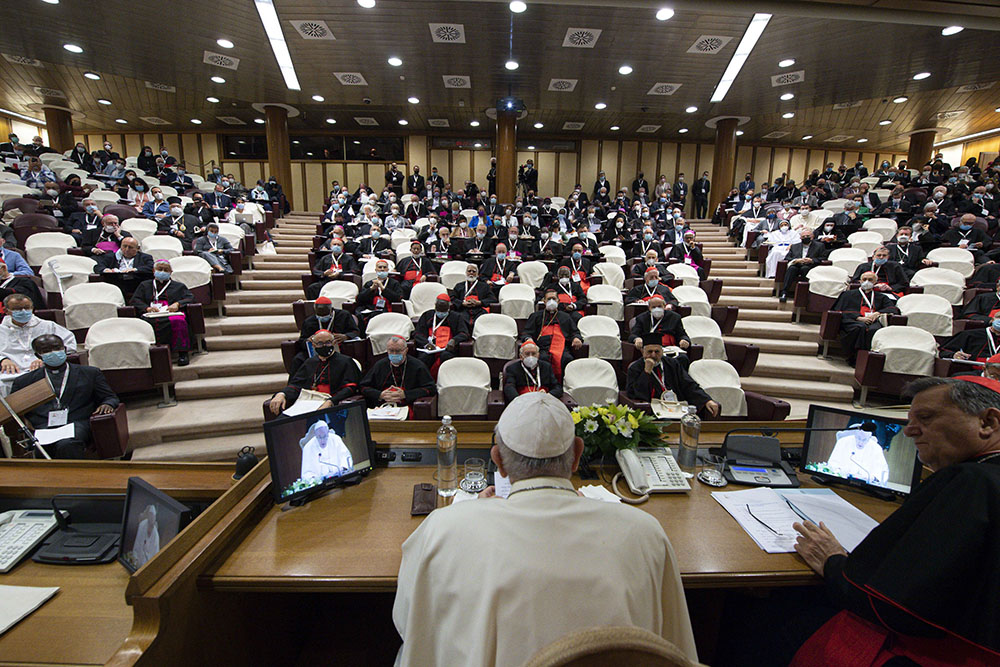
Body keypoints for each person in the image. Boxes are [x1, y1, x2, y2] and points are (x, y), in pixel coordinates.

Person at [393, 391, 697, 666]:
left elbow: (411, 624)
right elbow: (674, 652)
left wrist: (470, 513)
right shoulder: (645, 533)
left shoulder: (442, 530)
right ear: (577, 455)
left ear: (498, 461)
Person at [791, 377, 1000, 665]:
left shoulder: (971, 481)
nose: (910, 430)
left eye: (925, 418)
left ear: (988, 422)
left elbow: (896, 605)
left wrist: (832, 561)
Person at [11, 334, 117, 459]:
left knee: (67, 444)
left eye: (57, 348)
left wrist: (107, 404)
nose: (53, 353)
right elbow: (14, 410)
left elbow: (110, 397)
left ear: (65, 349)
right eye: (46, 351)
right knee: (41, 447)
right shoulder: (24, 381)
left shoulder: (90, 373)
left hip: (76, 422)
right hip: (43, 426)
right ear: (38, 355)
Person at [625, 333, 721, 416]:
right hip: (653, 409)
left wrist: (706, 400)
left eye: (657, 352)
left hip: (676, 406)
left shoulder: (672, 364)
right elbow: (633, 394)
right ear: (642, 352)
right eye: (649, 352)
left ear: (662, 351)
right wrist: (646, 372)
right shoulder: (635, 368)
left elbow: (688, 384)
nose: (653, 355)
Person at [269, 330, 361, 415]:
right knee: (284, 422)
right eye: (320, 344)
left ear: (334, 343)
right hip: (307, 402)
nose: (324, 346)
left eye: (328, 342)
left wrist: (331, 401)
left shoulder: (345, 361)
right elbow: (296, 385)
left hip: (330, 402)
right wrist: (281, 394)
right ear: (313, 345)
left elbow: (350, 388)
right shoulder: (310, 363)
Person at [0, 293, 77, 394]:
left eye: (27, 308)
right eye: (17, 309)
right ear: (6, 311)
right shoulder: (1, 330)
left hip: (43, 369)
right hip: (10, 372)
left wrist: (47, 357)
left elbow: (70, 345)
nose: (23, 311)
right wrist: (2, 359)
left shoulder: (48, 325)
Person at [129, 260, 194, 366]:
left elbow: (190, 297)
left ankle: (182, 354)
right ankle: (150, 355)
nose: (162, 272)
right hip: (151, 313)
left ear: (171, 272)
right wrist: (146, 308)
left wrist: (177, 304)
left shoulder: (179, 286)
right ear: (154, 271)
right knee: (144, 323)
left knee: (179, 321)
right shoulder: (145, 285)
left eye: (166, 270)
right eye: (160, 269)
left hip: (171, 312)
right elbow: (135, 300)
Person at [830, 271, 899, 365]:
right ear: (860, 281)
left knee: (874, 330)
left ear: (875, 282)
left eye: (870, 280)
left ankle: (867, 361)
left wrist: (877, 313)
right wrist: (858, 317)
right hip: (852, 320)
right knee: (859, 328)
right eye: (864, 279)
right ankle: (853, 358)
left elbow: (893, 309)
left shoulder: (881, 297)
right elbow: (838, 310)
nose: (867, 282)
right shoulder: (847, 294)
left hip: (873, 321)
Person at [359, 336, 436, 414]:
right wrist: (380, 395)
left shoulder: (418, 366)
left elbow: (431, 388)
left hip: (408, 406)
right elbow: (363, 387)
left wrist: (405, 395)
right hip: (382, 407)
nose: (394, 354)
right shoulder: (380, 365)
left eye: (398, 351)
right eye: (391, 351)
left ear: (406, 350)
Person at [520, 289, 583, 380]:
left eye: (554, 298)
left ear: (558, 301)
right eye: (549, 299)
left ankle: (564, 385)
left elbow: (575, 332)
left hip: (562, 348)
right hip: (542, 347)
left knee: (567, 358)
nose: (551, 301)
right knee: (542, 358)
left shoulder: (566, 316)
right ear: (544, 301)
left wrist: (576, 338)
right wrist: (528, 339)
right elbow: (526, 332)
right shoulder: (536, 316)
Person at [413, 293, 469, 375]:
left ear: (449, 306)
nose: (441, 313)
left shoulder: (456, 317)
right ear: (435, 306)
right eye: (439, 309)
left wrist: (454, 340)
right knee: (424, 358)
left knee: (446, 357)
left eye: (444, 310)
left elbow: (464, 333)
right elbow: (417, 333)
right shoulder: (427, 315)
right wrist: (426, 344)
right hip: (430, 348)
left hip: (447, 349)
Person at [823, 422, 889, 486]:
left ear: (869, 438)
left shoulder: (876, 448)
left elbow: (882, 472)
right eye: (858, 438)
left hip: (865, 487)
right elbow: (832, 464)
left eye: (864, 440)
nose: (860, 443)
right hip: (841, 483)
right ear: (854, 436)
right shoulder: (843, 442)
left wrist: (872, 478)